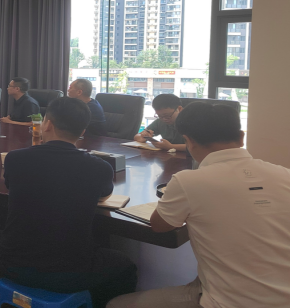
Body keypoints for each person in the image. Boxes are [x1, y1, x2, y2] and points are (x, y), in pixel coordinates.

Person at [108, 103, 290, 308]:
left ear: (188, 141)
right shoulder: (285, 174)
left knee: (116, 304)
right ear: (241, 137)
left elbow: (160, 225)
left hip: (228, 302)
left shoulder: (189, 181)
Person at [0, 97, 137, 308]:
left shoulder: (14, 158)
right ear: (82, 131)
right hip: (69, 273)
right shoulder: (100, 168)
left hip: (11, 264)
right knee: (125, 265)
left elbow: (11, 185)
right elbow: (103, 196)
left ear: (47, 124)